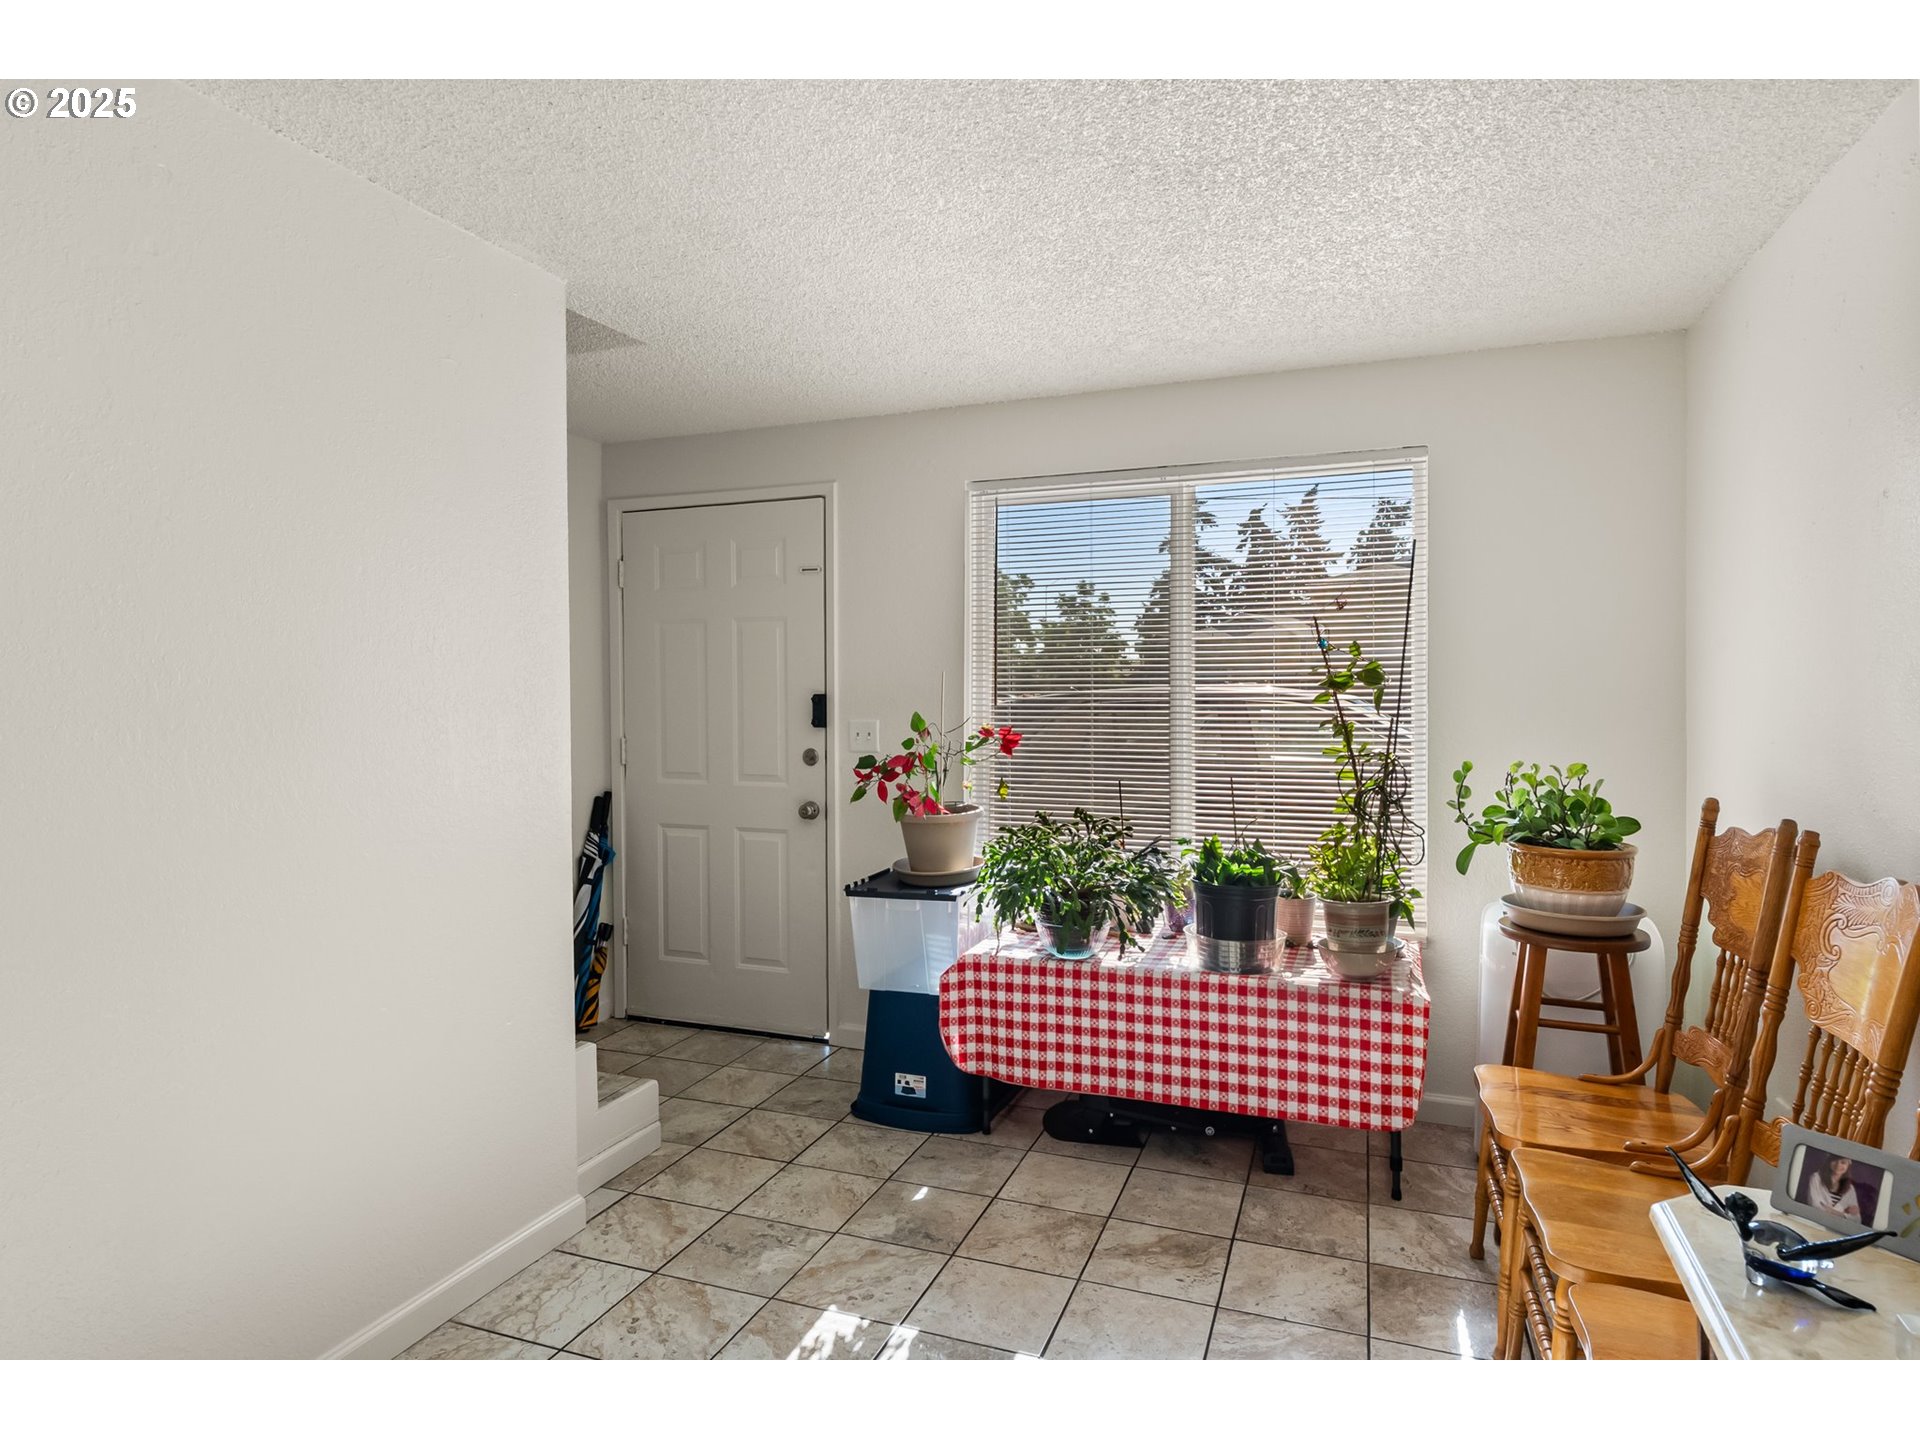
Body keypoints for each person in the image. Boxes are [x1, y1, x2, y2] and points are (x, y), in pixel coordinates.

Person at [1805, 1153, 1864, 1223]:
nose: (1838, 1165)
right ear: (1829, 1161)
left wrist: (1832, 1211)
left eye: (1843, 1162)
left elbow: (1857, 1220)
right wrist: (1844, 1214)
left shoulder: (1850, 1189)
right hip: (1815, 1223)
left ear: (1848, 1166)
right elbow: (1814, 1205)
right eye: (1835, 1160)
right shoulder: (1816, 1178)